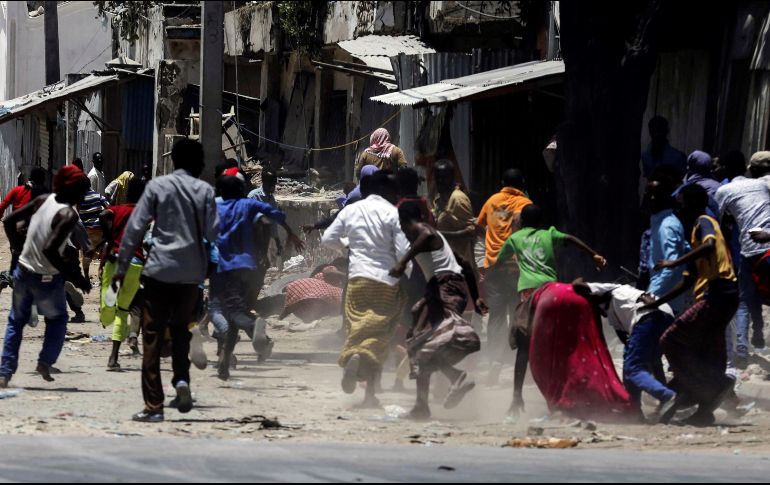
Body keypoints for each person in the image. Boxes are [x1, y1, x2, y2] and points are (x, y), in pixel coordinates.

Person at [113, 139, 219, 423]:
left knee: (152, 336)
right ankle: (181, 380)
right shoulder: (205, 191)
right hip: (190, 276)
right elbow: (213, 233)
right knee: (182, 330)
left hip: (159, 271)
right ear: (199, 163)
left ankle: (154, 406)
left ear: (174, 161)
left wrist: (122, 266)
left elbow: (135, 227)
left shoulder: (157, 187)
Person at [495, 204, 607, 416]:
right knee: (557, 347)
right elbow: (571, 239)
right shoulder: (549, 234)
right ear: (540, 222)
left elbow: (498, 262)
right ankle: (567, 397)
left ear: (522, 222)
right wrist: (593, 255)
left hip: (529, 295)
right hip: (552, 292)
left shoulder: (514, 239)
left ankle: (517, 397)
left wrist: (511, 269)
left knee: (524, 347)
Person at [645, 184, 738, 426]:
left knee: (671, 339)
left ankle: (702, 385)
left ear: (694, 203)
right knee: (705, 350)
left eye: (683, 203)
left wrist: (673, 263)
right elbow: (687, 280)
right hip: (721, 296)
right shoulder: (694, 237)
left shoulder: (704, 221)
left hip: (718, 293)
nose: (680, 209)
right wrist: (656, 302)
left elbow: (709, 245)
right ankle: (704, 406)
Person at [389, 201, 486, 420]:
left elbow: (425, 234)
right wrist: (476, 297)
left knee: (425, 342)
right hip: (447, 288)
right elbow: (465, 264)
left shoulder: (424, 232)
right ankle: (424, 404)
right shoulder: (439, 241)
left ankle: (454, 378)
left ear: (403, 222)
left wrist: (403, 262)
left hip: (444, 288)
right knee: (420, 343)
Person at [321, 171, 409, 408]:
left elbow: (328, 239)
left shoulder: (351, 210)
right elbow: (403, 250)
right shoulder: (392, 213)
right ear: (385, 190)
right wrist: (407, 272)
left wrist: (347, 244)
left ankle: (354, 357)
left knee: (357, 328)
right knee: (380, 335)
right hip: (386, 282)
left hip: (357, 279)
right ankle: (370, 392)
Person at [0, 166, 92, 387]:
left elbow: (8, 220)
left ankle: (4, 373)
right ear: (71, 189)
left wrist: (17, 247)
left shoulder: (42, 200)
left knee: (16, 321)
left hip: (23, 270)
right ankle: (45, 361)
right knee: (58, 320)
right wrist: (76, 278)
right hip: (47, 278)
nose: (83, 197)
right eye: (81, 192)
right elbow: (51, 250)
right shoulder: (68, 214)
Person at [215, 175, 304, 379]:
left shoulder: (217, 206)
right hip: (248, 265)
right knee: (236, 309)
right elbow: (273, 218)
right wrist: (289, 233)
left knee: (222, 310)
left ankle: (250, 333)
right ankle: (230, 357)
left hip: (224, 267)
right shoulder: (249, 204)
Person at [527, 282, 635, 420]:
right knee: (587, 353)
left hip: (551, 301)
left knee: (552, 358)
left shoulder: (539, 298)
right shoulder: (613, 294)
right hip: (582, 301)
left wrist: (517, 395)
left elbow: (530, 352)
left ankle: (563, 402)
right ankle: (594, 399)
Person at [574, 281, 676, 418]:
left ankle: (666, 396)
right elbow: (626, 341)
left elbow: (577, 284)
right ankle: (636, 409)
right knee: (649, 362)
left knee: (632, 369)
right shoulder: (614, 310)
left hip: (647, 316)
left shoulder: (611, 289)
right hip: (666, 317)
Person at [476, 168, 533, 385]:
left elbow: (478, 226)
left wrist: (490, 240)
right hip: (518, 267)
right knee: (517, 314)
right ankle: (515, 359)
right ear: (522, 184)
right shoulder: (525, 203)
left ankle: (494, 360)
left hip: (494, 266)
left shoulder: (492, 201)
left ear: (502, 182)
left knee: (496, 317)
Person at [714, 151, 770, 368]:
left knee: (744, 301)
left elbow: (714, 222)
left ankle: (742, 352)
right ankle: (757, 334)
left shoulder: (724, 190)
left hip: (750, 251)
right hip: (763, 249)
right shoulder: (761, 186)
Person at [99, 178, 146, 371]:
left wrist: (109, 238)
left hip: (115, 262)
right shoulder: (145, 214)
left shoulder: (117, 209)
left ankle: (108, 313)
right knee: (123, 310)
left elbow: (103, 214)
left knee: (108, 307)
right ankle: (113, 358)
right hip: (135, 265)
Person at [645, 176, 690, 315]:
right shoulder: (663, 221)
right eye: (649, 193)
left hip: (665, 301)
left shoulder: (666, 226)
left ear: (666, 196)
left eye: (657, 194)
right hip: (667, 298)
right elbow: (686, 248)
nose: (652, 198)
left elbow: (670, 266)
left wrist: (651, 293)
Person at [1, 168, 48, 272]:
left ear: (29, 178)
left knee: (17, 253)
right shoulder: (42, 193)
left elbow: (3, 205)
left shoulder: (17, 190)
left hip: (16, 230)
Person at [433, 160, 476, 267]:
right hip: (444, 263)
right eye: (437, 177)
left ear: (452, 177)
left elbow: (471, 232)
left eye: (444, 177)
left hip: (459, 265)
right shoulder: (439, 199)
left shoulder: (458, 199)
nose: (440, 181)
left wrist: (440, 235)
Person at [78, 186, 108, 282]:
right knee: (102, 252)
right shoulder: (98, 195)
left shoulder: (78, 198)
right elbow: (108, 207)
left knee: (87, 254)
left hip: (86, 230)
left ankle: (86, 277)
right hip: (99, 229)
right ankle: (101, 274)